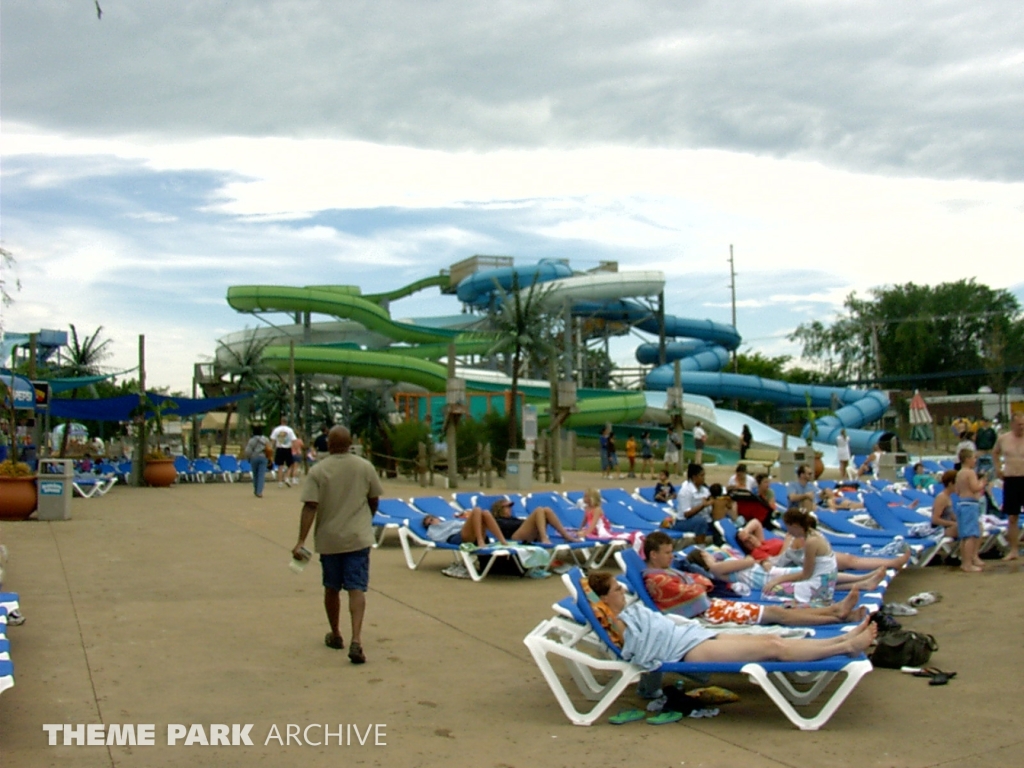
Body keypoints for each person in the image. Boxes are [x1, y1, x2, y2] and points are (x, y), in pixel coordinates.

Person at [585, 571, 877, 671]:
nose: (623, 590)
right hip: (685, 650)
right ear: (604, 599)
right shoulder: (617, 619)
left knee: (769, 640)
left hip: (691, 636)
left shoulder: (627, 610)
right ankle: (844, 647)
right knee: (774, 646)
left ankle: (843, 639)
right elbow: (640, 646)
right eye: (615, 589)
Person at [293, 426, 383, 664]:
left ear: (328, 445)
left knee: (331, 587)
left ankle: (336, 633)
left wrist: (301, 540)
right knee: (357, 588)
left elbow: (310, 506)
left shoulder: (318, 470)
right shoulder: (365, 467)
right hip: (358, 537)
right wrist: (365, 521)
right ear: (351, 443)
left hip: (329, 539)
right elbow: (374, 500)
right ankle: (356, 640)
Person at [642, 532, 863, 626]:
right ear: (653, 555)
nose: (671, 556)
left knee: (779, 613)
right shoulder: (656, 579)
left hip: (715, 607)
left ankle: (836, 611)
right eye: (667, 553)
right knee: (778, 614)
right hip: (709, 613)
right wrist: (695, 582)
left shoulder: (665, 573)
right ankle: (838, 617)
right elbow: (699, 588)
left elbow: (701, 582)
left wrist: (695, 582)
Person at [993, 412, 1024, 561]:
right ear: (1012, 424)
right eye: (1019, 425)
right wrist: (998, 468)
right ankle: (1013, 550)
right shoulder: (1003, 439)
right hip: (1011, 479)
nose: (1022, 427)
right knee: (1012, 516)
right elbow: (995, 453)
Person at [489, 499, 581, 544]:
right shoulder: (497, 520)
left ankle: (566, 536)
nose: (510, 509)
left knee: (547, 510)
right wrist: (528, 522)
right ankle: (544, 538)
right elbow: (510, 527)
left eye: (510, 507)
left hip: (525, 534)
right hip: (514, 538)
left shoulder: (512, 518)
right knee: (539, 510)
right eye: (507, 507)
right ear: (499, 509)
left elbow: (519, 523)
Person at [954, 448, 986, 573]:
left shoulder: (959, 473)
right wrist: (982, 482)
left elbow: (957, 490)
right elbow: (974, 487)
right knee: (970, 536)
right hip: (970, 504)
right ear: (967, 459)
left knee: (964, 536)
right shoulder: (970, 472)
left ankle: (965, 561)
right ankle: (967, 563)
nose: (975, 461)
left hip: (962, 503)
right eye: (973, 458)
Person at [422, 507, 509, 547]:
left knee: (485, 513)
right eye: (428, 523)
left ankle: (502, 541)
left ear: (437, 518)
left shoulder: (448, 522)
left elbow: (463, 524)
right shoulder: (431, 530)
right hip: (456, 537)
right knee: (477, 510)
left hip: (467, 533)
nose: (431, 522)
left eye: (432, 519)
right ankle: (480, 541)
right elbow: (436, 538)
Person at [668, 463, 712, 542]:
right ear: (694, 477)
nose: (704, 478)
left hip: (704, 518)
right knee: (700, 522)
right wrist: (702, 505)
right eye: (701, 476)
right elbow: (687, 514)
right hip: (684, 521)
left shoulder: (705, 490)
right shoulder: (685, 491)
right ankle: (700, 547)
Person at [242, 425, 271, 498]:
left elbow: (248, 451)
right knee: (261, 475)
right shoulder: (265, 439)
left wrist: (249, 457)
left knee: (255, 475)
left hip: (254, 458)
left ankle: (255, 489)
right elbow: (270, 448)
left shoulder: (251, 440)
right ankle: (259, 492)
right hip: (263, 458)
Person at [930, 469, 959, 540]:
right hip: (940, 530)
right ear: (950, 484)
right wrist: (953, 524)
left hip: (947, 527)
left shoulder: (948, 497)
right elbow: (935, 519)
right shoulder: (941, 498)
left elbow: (952, 516)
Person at [270, 417, 298, 488]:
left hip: (279, 448)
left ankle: (280, 482)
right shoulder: (290, 430)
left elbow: (273, 440)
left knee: (280, 466)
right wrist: (296, 449)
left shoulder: (276, 429)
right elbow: (294, 440)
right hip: (287, 448)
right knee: (290, 464)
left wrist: (271, 448)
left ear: (281, 421)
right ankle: (286, 477)